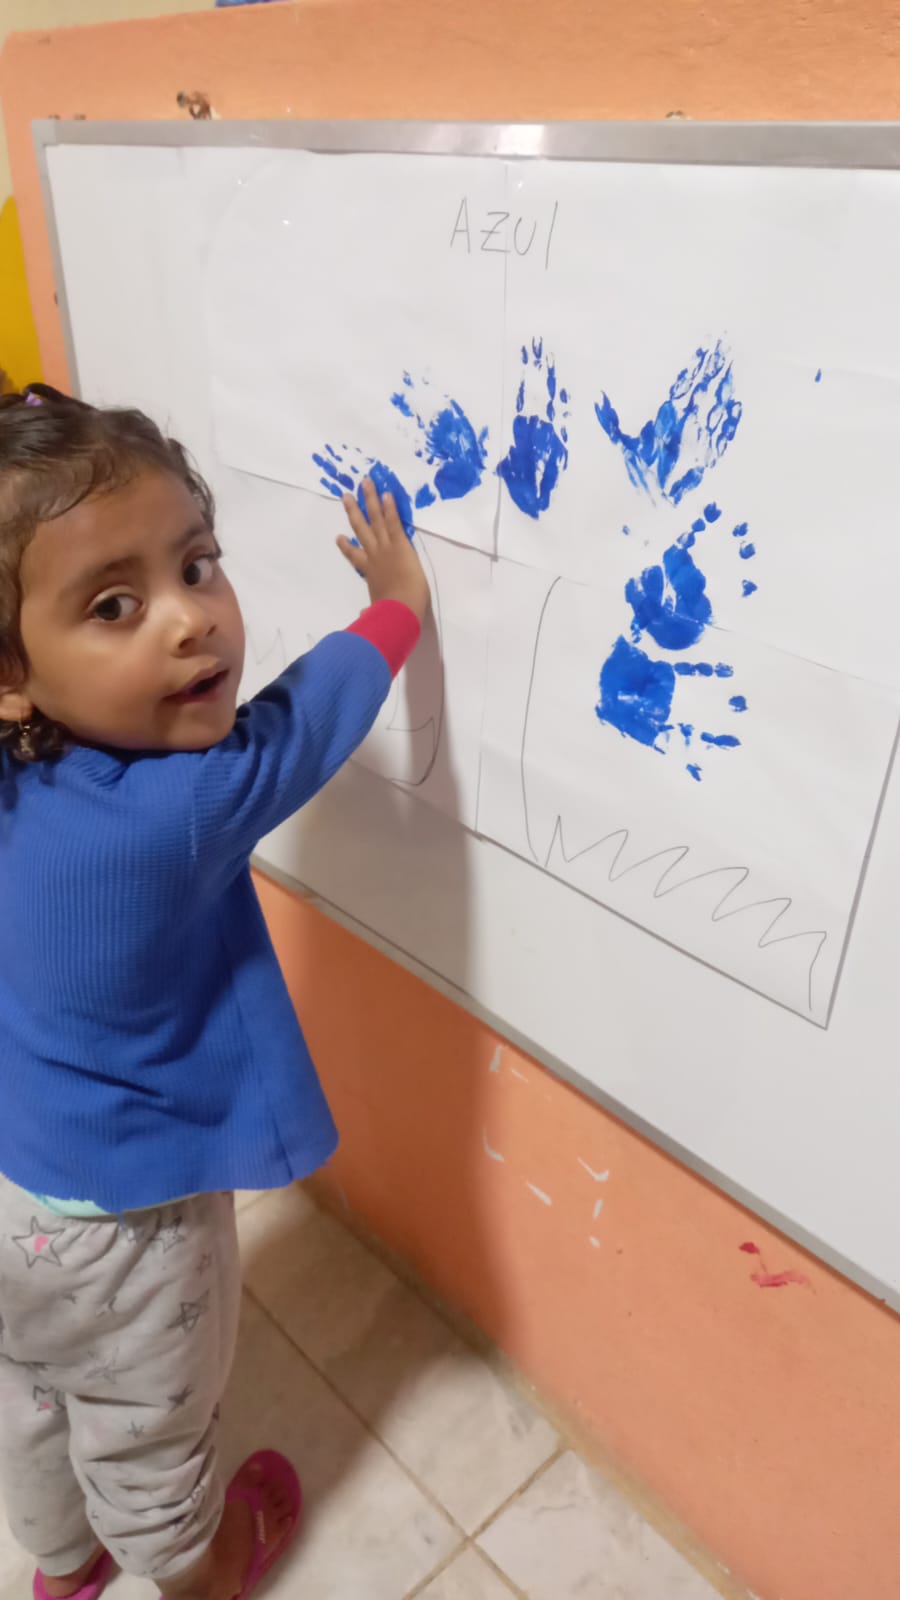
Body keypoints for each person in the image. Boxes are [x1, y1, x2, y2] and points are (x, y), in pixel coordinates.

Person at [0, 383, 430, 1600]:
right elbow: (306, 720)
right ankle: (202, 1570)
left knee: (32, 1395)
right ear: (12, 670)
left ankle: (61, 1563)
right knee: (147, 1427)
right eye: (115, 604)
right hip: (129, 1224)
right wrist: (396, 603)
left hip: (12, 1185)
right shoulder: (177, 810)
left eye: (198, 564)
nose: (191, 620)